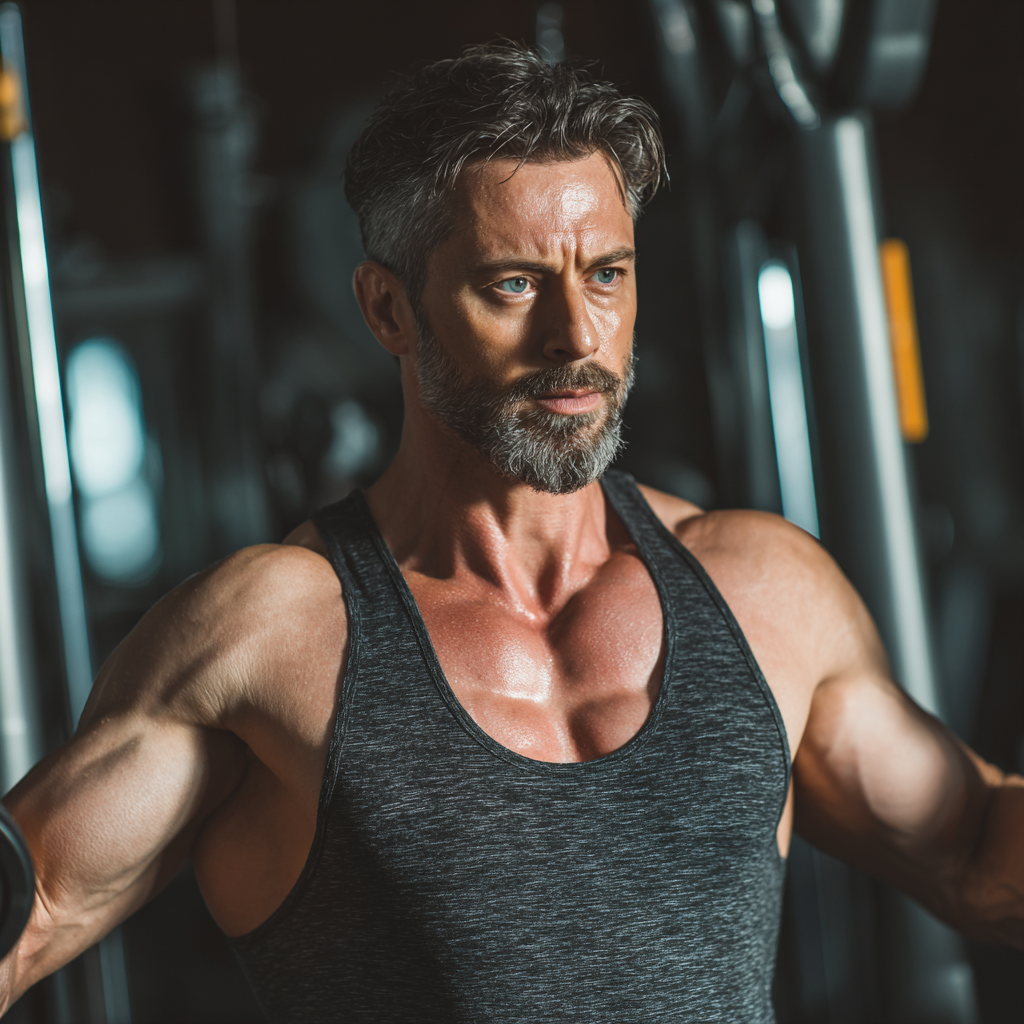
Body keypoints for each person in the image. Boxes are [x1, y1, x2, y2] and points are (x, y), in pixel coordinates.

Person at [1, 43, 1022, 1023]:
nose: (577, 336)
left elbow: (976, 852)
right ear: (388, 308)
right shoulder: (270, 637)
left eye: (607, 275)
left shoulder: (763, 591)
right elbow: (32, 909)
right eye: (515, 284)